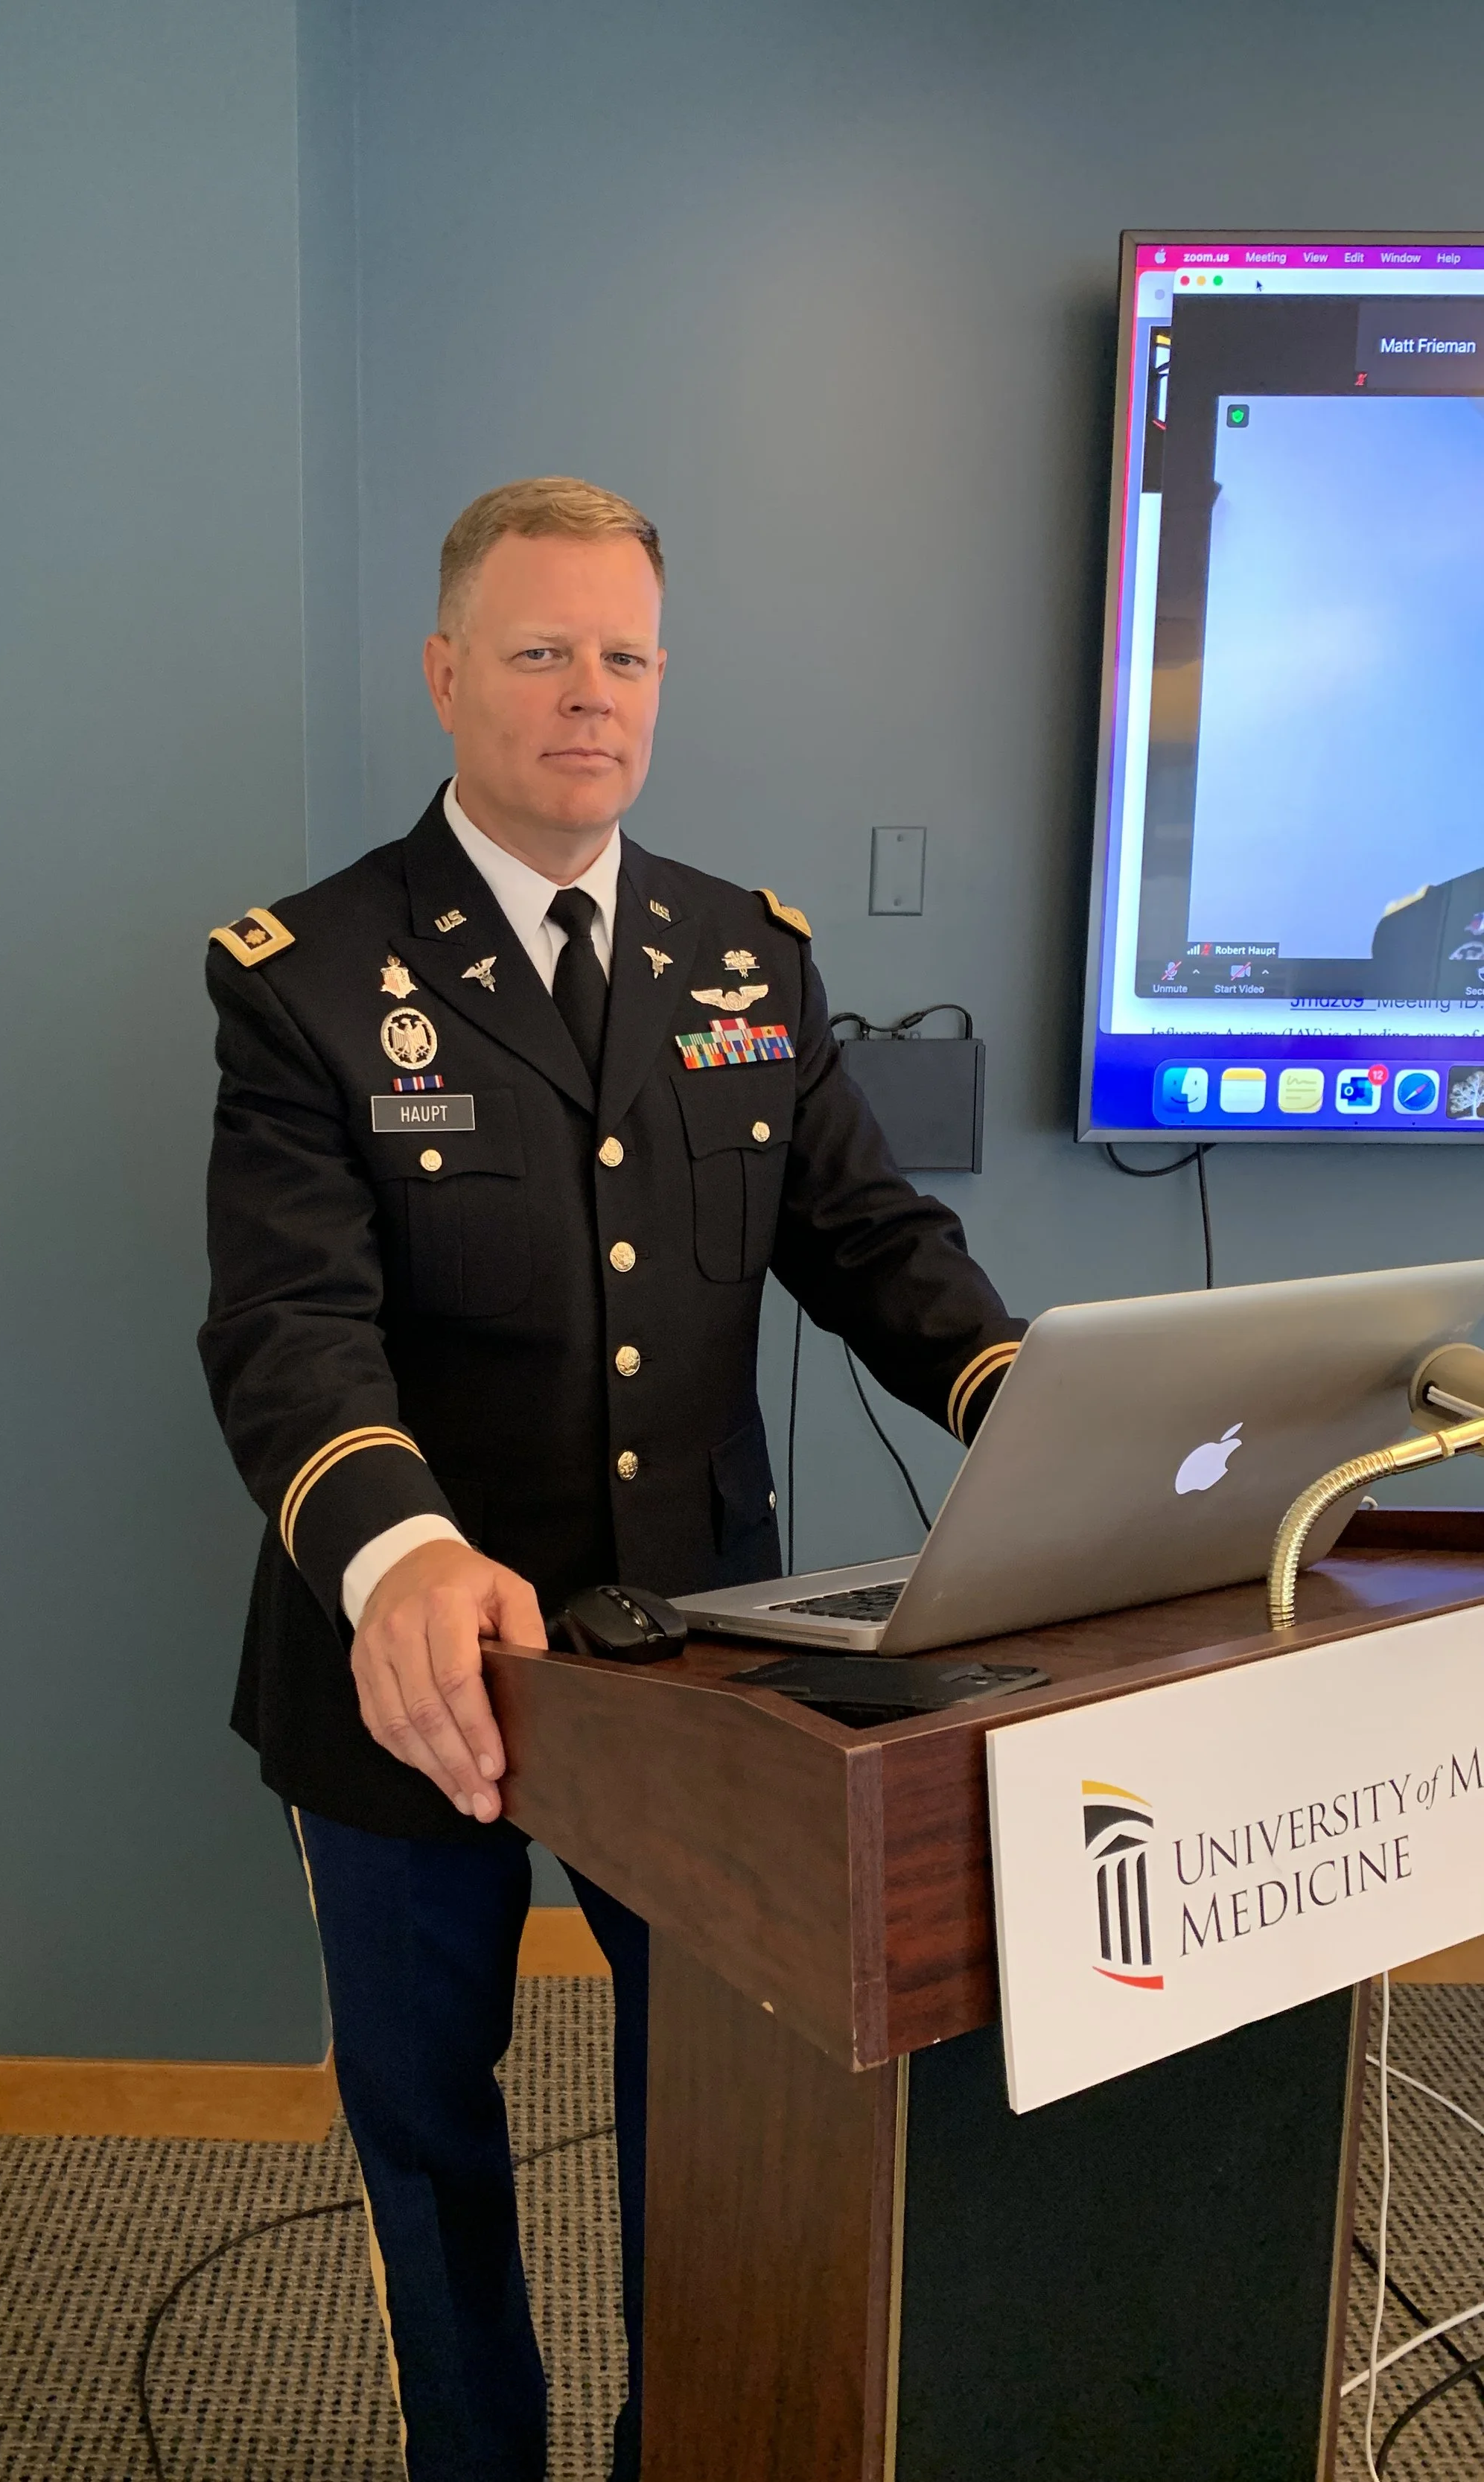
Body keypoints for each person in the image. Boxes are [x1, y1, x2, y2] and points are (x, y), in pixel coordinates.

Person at [199, 475, 1024, 2482]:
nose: (590, 691)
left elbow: (870, 1240)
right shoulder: (307, 976)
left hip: (689, 1668)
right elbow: (288, 1321)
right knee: (427, 2126)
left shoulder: (743, 956)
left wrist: (1023, 1398)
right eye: (541, 648)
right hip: (413, 1675)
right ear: (445, 674)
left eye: (625, 652)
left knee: (715, 2121)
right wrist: (394, 1554)